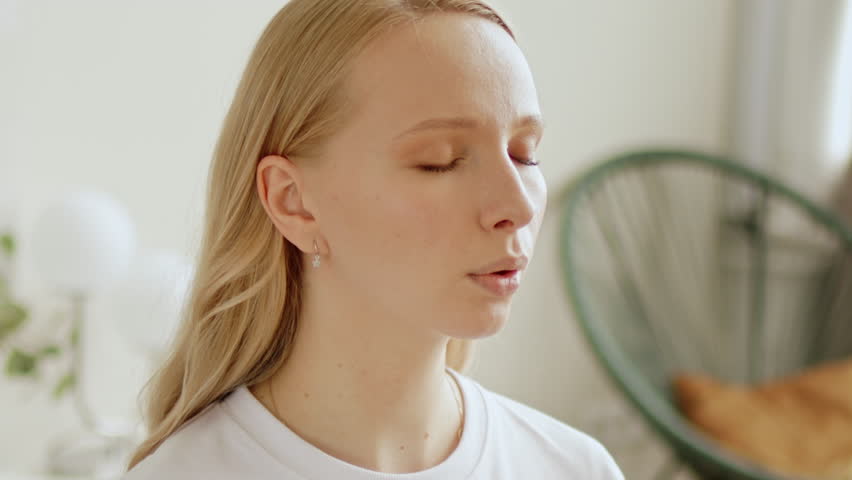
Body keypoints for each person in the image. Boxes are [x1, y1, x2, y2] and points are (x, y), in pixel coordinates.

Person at [122, 0, 625, 478]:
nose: (517, 206)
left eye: (524, 153)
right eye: (441, 159)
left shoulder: (576, 469)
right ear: (293, 201)